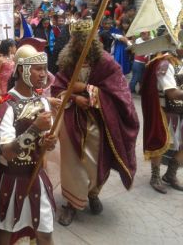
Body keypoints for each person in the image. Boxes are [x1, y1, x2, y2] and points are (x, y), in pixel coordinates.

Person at [0, 44, 57, 245]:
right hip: (12, 182)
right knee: (6, 237)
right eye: (37, 69)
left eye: (44, 68)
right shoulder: (6, 106)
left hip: (37, 179)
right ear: (21, 70)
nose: (43, 74)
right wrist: (34, 129)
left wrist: (48, 142)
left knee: (45, 234)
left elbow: (43, 144)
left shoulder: (43, 102)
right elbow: (7, 153)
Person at [52, 19, 139, 226]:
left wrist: (88, 90)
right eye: (77, 40)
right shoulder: (67, 61)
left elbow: (119, 92)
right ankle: (72, 204)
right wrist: (74, 97)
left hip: (98, 120)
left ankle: (92, 193)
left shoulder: (106, 62)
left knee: (96, 161)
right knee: (72, 163)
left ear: (93, 41)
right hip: (72, 119)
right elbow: (57, 89)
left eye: (85, 40)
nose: (80, 45)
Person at [141, 45, 183, 193]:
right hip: (164, 110)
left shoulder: (180, 61)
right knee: (159, 141)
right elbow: (171, 93)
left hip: (181, 108)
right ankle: (155, 177)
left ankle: (170, 174)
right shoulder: (165, 63)